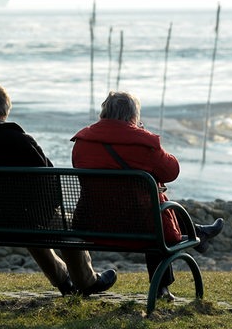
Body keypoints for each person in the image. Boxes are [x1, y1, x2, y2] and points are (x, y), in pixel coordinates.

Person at [0, 83, 117, 296]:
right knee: (63, 226)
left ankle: (63, 281)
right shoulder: (21, 141)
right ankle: (87, 281)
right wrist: (44, 213)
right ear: (7, 109)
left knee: (32, 223)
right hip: (23, 223)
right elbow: (50, 180)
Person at [71, 91, 224, 301]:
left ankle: (198, 233)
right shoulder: (143, 143)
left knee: (152, 209)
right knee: (155, 216)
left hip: (92, 223)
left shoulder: (82, 142)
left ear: (104, 113)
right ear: (134, 116)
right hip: (141, 226)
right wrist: (143, 136)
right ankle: (165, 282)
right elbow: (172, 171)